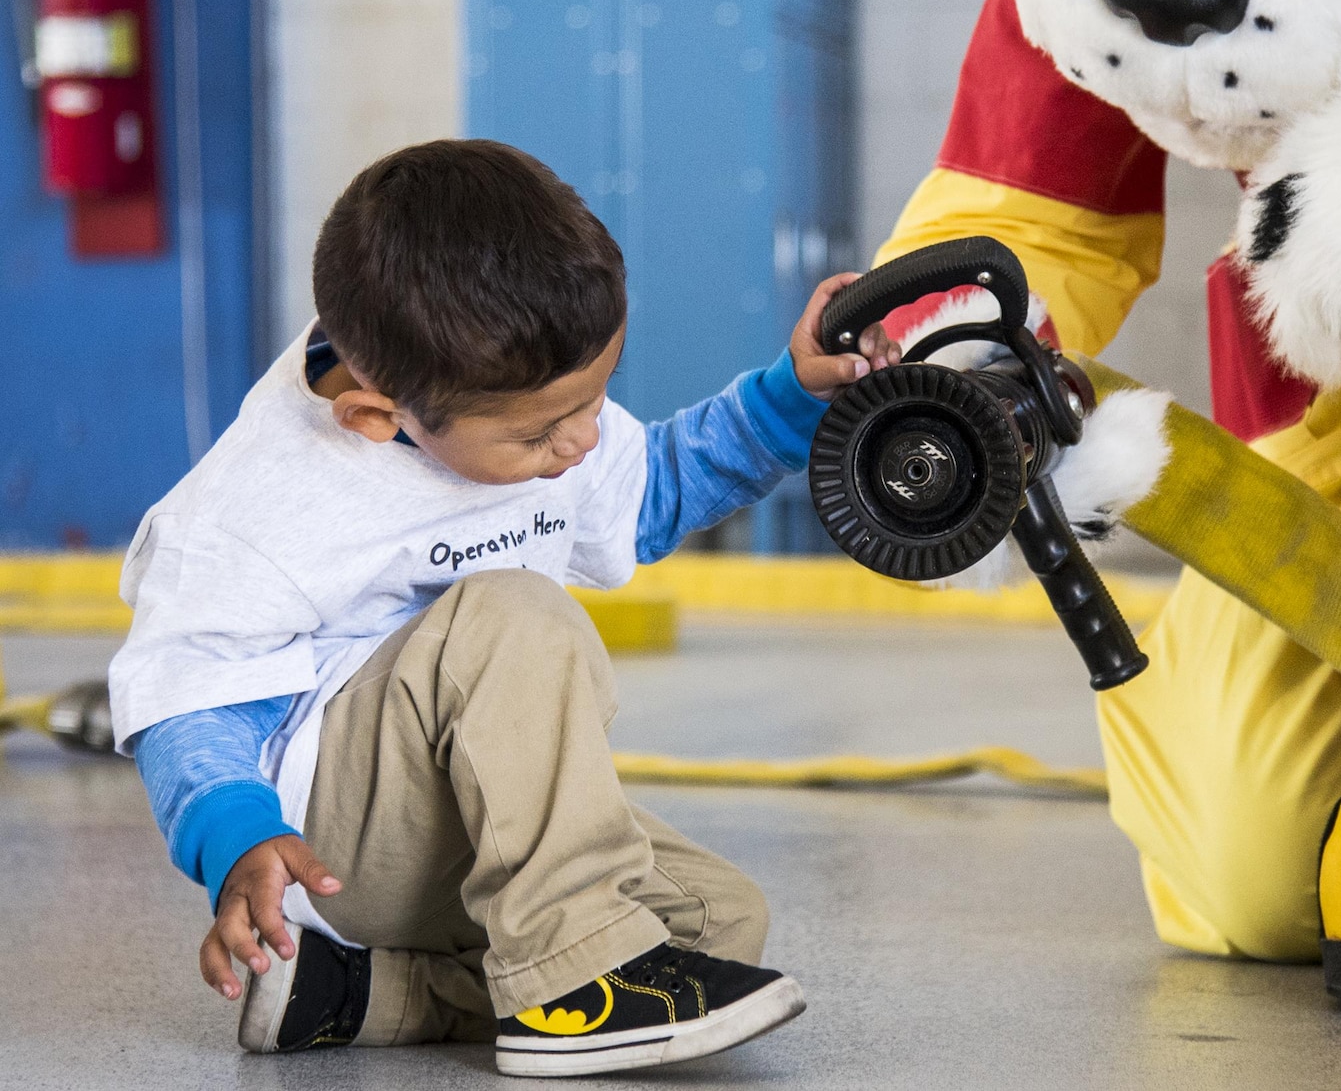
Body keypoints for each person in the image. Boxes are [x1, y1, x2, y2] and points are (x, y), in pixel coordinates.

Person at [108, 139, 897, 1075]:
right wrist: (236, 836)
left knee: (720, 926)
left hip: (464, 819)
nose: (579, 442)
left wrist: (788, 397)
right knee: (518, 616)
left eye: (596, 398)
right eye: (539, 434)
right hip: (330, 835)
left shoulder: (522, 409)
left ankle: (365, 994)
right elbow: (187, 695)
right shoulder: (255, 504)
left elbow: (648, 493)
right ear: (376, 415)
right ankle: (570, 984)